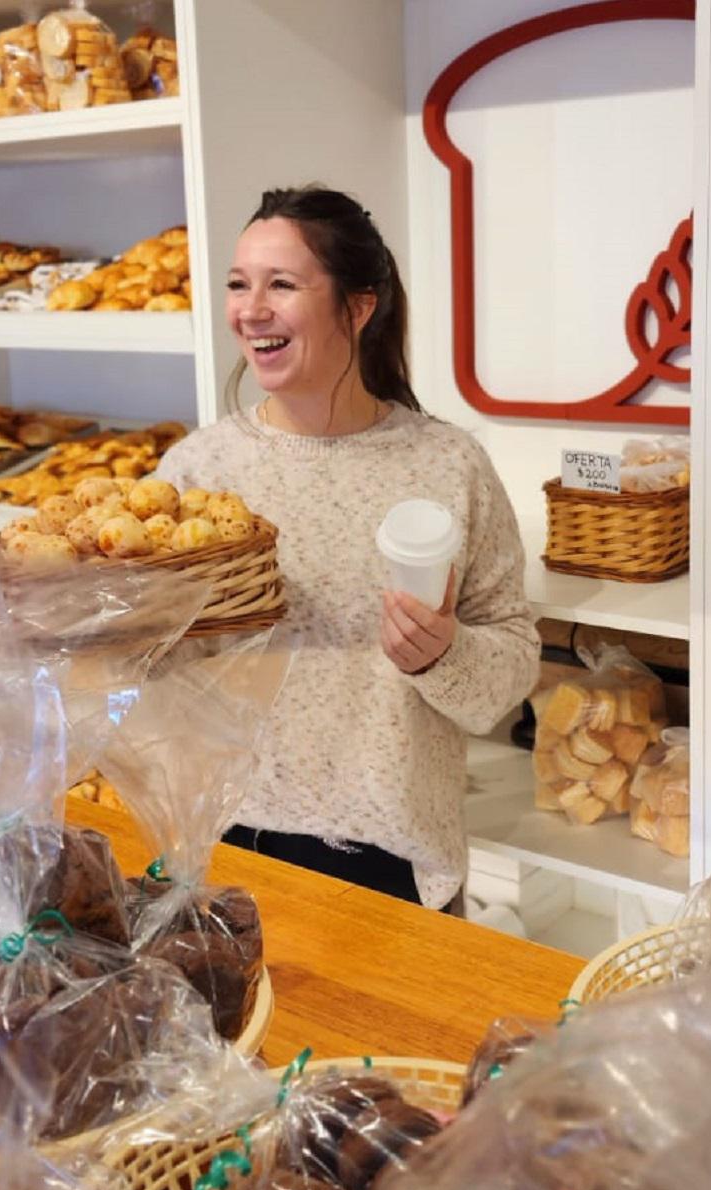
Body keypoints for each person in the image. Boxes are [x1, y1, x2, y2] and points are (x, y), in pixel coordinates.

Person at [156, 185, 540, 910]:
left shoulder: (447, 465)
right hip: (221, 842)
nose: (251, 309)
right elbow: (154, 664)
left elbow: (513, 664)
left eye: (282, 285)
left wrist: (443, 653)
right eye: (239, 284)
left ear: (358, 307)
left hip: (393, 856)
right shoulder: (196, 476)